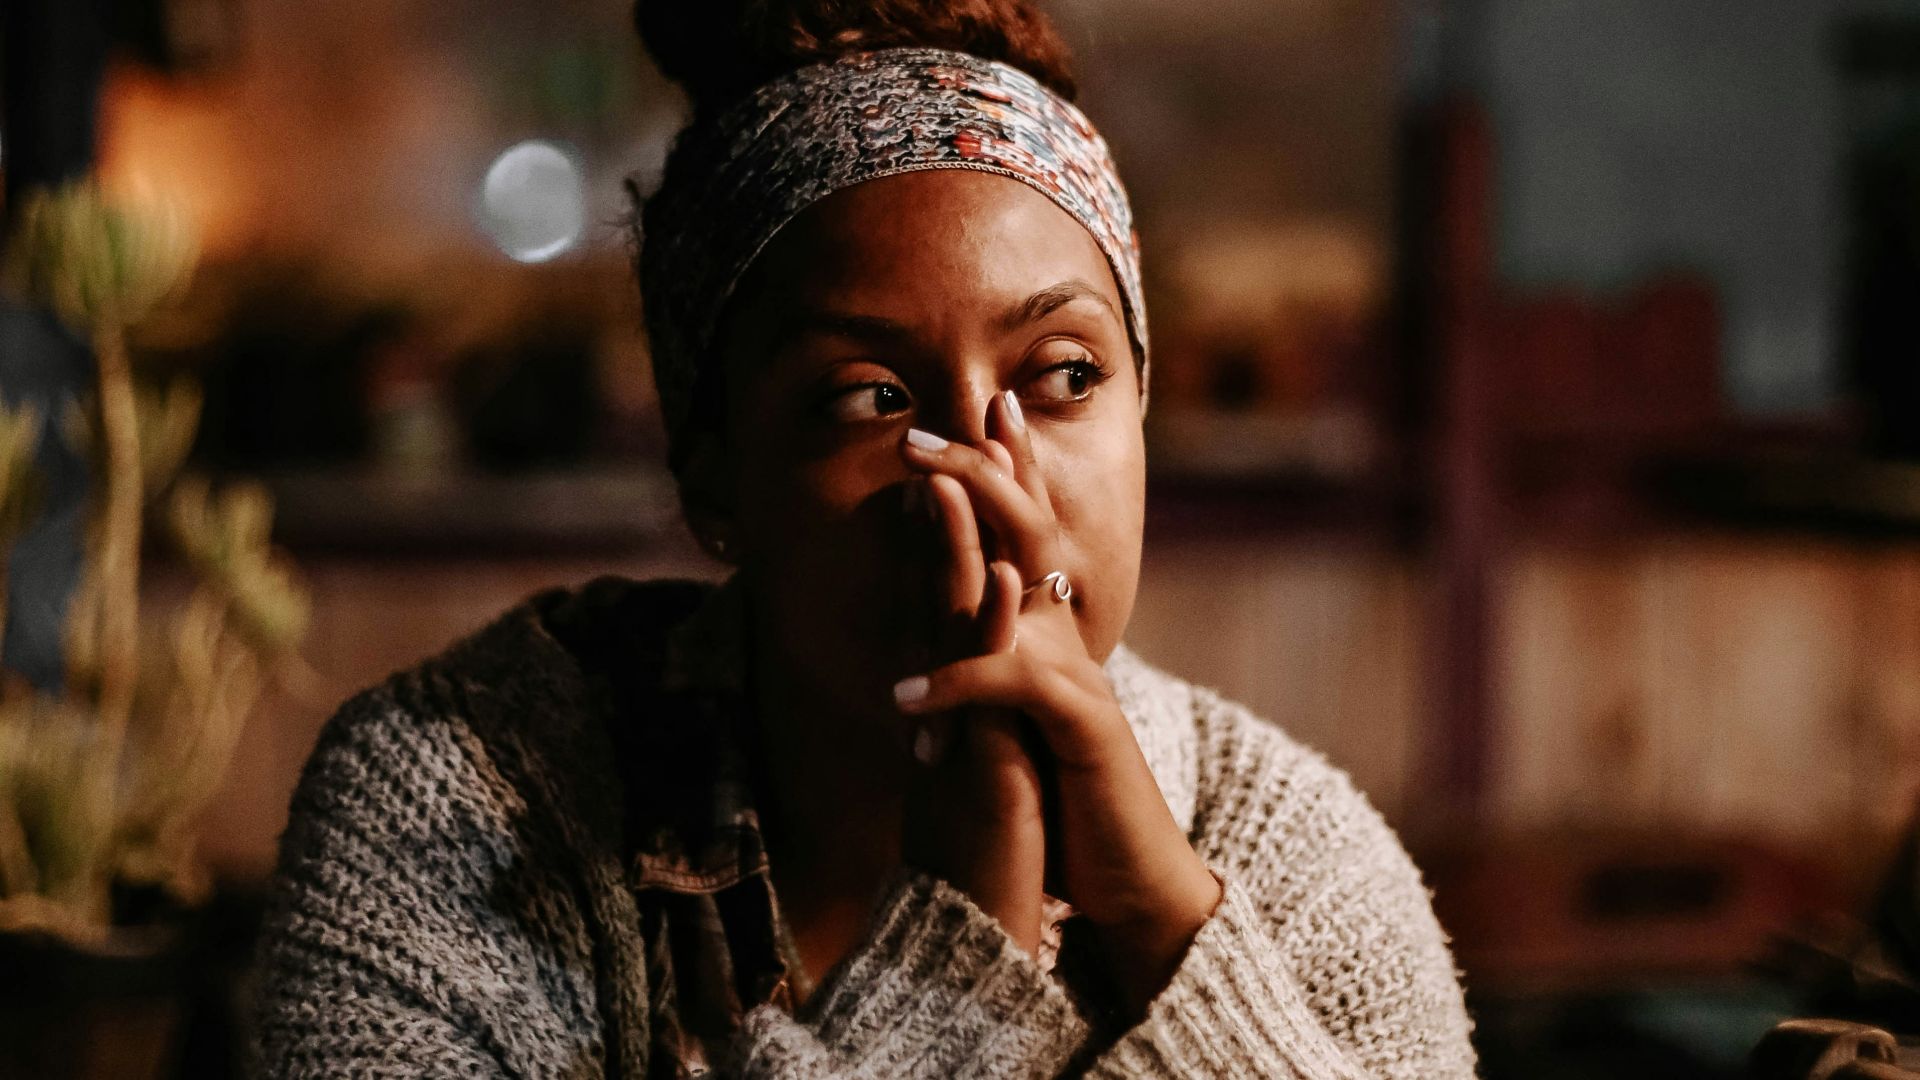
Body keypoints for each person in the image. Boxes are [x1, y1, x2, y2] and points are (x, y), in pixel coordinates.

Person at [247, 1, 1479, 1076]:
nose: (990, 484)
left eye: (1061, 376)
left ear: (1142, 403)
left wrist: (1164, 918)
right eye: (871, 400)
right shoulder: (457, 810)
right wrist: (963, 948)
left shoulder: (1283, 851)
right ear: (714, 468)